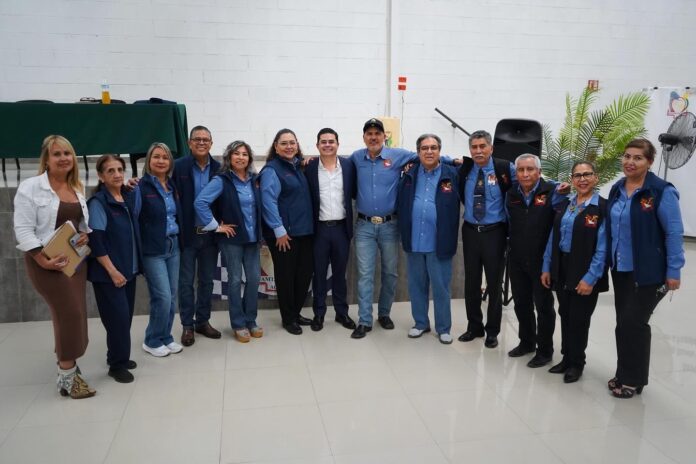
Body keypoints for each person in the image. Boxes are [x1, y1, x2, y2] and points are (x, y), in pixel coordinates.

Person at [350, 118, 459, 339]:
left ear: (384, 136)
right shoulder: (356, 158)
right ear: (364, 137)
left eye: (377, 134)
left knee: (392, 273)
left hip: (391, 226)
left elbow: (429, 156)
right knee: (366, 275)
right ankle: (365, 320)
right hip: (365, 226)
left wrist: (454, 160)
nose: (373, 137)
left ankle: (385, 314)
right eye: (369, 134)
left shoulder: (399, 156)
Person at [13, 134, 95, 399]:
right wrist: (42, 260)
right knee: (69, 314)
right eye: (57, 154)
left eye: (67, 153)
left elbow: (81, 225)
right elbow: (23, 229)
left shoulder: (76, 187)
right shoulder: (30, 187)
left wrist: (84, 235)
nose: (63, 158)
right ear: (46, 159)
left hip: (73, 262)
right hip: (45, 264)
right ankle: (68, 375)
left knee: (75, 314)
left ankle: (67, 365)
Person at [606, 138, 684, 398]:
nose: (630, 162)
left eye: (638, 158)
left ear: (649, 162)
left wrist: (674, 271)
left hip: (649, 271)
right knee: (622, 323)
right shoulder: (617, 188)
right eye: (627, 156)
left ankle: (632, 380)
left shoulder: (661, 191)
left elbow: (673, 233)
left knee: (634, 323)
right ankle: (624, 373)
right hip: (621, 268)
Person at [541, 161, 608, 383]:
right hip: (562, 267)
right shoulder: (566, 204)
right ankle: (566, 358)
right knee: (566, 314)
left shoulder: (602, 208)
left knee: (579, 318)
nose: (582, 179)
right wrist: (547, 266)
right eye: (577, 175)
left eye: (587, 174)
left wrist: (590, 278)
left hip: (585, 269)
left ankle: (577, 363)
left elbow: (603, 248)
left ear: (596, 178)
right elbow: (553, 237)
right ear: (572, 180)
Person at [194, 140, 263, 343]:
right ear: (229, 157)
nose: (241, 157)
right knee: (234, 280)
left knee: (254, 279)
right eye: (236, 153)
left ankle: (251, 320)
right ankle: (239, 323)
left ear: (249, 158)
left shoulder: (254, 179)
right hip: (231, 239)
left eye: (244, 154)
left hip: (252, 238)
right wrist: (215, 226)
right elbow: (200, 202)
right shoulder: (221, 180)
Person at [397, 134, 460, 344]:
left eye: (434, 147)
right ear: (418, 152)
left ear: (440, 151)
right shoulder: (409, 174)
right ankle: (420, 323)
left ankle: (443, 328)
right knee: (416, 286)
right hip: (414, 240)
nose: (429, 151)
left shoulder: (452, 174)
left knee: (441, 287)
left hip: (439, 242)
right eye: (425, 148)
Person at [457, 130, 515, 348]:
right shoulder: (465, 169)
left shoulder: (504, 168)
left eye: (482, 146)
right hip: (470, 231)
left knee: (494, 283)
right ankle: (474, 327)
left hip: (495, 233)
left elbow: (529, 179)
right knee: (471, 282)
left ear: (491, 148)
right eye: (474, 147)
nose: (478, 151)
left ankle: (492, 331)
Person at [87, 155, 142, 383]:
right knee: (116, 320)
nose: (117, 174)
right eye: (110, 171)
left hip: (128, 270)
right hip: (110, 274)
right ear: (101, 176)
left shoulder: (125, 197)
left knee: (124, 318)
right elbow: (96, 241)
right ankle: (116, 365)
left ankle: (119, 356)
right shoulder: (98, 203)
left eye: (120, 169)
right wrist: (112, 271)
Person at [505, 154, 559, 368]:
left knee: (543, 307)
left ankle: (545, 350)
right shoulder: (511, 193)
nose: (525, 174)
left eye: (530, 169)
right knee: (521, 303)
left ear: (539, 171)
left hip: (542, 261)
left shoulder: (552, 191)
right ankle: (527, 342)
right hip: (517, 258)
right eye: (521, 170)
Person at [260, 129, 314, 335]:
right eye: (284, 143)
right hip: (284, 236)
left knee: (303, 275)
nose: (289, 146)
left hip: (304, 232)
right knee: (286, 277)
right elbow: (268, 202)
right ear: (276, 147)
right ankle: (288, 318)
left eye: (292, 142)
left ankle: (296, 313)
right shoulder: (271, 170)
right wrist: (279, 230)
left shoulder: (299, 166)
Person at [172, 126, 222, 347]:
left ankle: (202, 321)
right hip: (187, 235)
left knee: (207, 281)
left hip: (210, 236)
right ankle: (187, 325)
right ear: (189, 143)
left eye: (205, 139)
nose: (201, 143)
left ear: (211, 143)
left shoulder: (219, 168)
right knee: (185, 283)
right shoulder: (179, 166)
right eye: (197, 139)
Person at [304, 128, 357, 331]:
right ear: (317, 145)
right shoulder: (309, 167)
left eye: (331, 141)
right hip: (319, 230)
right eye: (323, 142)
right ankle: (319, 314)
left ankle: (341, 313)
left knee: (340, 274)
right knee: (318, 274)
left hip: (342, 229)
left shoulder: (348, 166)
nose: (327, 145)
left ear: (337, 144)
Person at [139, 142, 184, 357]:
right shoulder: (140, 187)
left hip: (173, 246)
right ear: (149, 161)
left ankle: (166, 336)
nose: (161, 161)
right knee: (162, 297)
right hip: (153, 249)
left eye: (165, 157)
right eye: (156, 156)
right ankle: (152, 339)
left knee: (172, 296)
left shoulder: (172, 186)